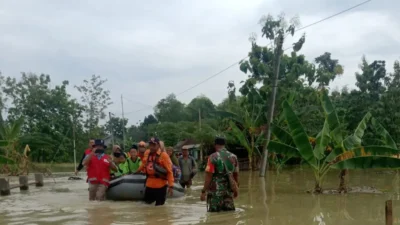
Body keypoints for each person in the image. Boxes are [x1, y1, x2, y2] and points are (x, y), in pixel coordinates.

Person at [200, 137, 239, 212]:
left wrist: (203, 191)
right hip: (228, 190)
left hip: (215, 192)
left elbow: (208, 177)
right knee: (229, 214)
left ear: (215, 145)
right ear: (224, 145)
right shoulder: (234, 156)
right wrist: (236, 189)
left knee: (214, 216)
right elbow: (236, 175)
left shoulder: (212, 157)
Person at [137, 137, 174, 206]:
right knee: (147, 206)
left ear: (158, 146)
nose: (152, 147)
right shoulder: (147, 153)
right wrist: (137, 171)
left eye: (154, 145)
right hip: (149, 185)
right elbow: (143, 164)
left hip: (160, 186)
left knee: (159, 208)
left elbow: (169, 171)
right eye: (150, 145)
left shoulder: (164, 155)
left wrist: (171, 186)